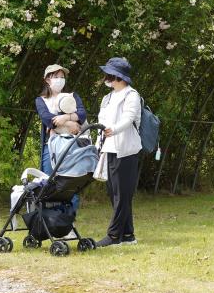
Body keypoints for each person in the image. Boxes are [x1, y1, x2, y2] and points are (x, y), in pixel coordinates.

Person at [95, 57, 142, 247]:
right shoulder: (108, 97)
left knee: (122, 194)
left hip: (126, 149)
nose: (105, 77)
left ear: (116, 76)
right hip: (109, 148)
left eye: (108, 74)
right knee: (114, 192)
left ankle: (114, 236)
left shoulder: (131, 95)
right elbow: (101, 120)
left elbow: (129, 118)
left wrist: (113, 129)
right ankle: (128, 235)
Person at [35, 64, 87, 215]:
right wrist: (71, 122)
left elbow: (82, 113)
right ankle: (52, 218)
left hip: (72, 145)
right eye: (55, 77)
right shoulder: (41, 100)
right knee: (49, 181)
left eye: (62, 77)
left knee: (71, 181)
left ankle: (69, 220)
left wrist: (65, 117)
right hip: (51, 146)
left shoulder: (72, 96)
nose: (59, 80)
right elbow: (47, 118)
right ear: (47, 80)